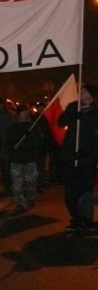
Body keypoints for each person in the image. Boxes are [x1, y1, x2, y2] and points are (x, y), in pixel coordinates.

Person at [57, 83, 98, 233]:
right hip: (70, 157)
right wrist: (75, 114)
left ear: (92, 96)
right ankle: (76, 219)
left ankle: (87, 221)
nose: (82, 93)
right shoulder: (73, 107)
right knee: (70, 192)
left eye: (86, 91)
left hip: (87, 159)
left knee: (85, 192)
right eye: (81, 90)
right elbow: (60, 122)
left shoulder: (95, 113)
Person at [7, 106, 43, 213]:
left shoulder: (33, 126)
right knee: (17, 184)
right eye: (22, 112)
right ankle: (20, 203)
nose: (24, 113)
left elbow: (40, 140)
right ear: (18, 114)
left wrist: (30, 137)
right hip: (16, 159)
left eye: (25, 111)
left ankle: (31, 198)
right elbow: (8, 142)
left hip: (30, 158)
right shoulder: (13, 127)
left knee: (31, 182)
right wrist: (9, 152)